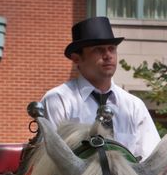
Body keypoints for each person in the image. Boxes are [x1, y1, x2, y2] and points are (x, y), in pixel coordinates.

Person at [40, 16, 160, 161]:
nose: (108, 55)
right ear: (77, 59)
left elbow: (153, 160)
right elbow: (51, 160)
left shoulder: (134, 106)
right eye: (98, 50)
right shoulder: (59, 100)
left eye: (112, 49)